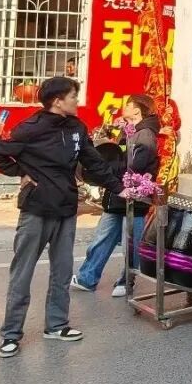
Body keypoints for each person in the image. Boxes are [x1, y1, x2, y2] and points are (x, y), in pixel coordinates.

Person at [0, 77, 124, 358]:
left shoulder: (77, 128)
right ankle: (11, 334)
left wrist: (120, 188)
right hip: (36, 209)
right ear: (58, 101)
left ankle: (56, 325)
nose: (77, 101)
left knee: (62, 270)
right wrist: (21, 172)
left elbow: (94, 162)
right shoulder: (30, 128)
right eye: (73, 96)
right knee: (22, 273)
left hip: (66, 208)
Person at [72, 94, 159, 297]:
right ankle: (87, 278)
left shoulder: (145, 134)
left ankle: (126, 281)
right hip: (117, 194)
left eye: (128, 105)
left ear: (137, 110)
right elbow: (120, 154)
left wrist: (109, 169)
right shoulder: (129, 131)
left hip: (135, 197)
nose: (124, 107)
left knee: (131, 243)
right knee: (102, 238)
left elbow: (136, 165)